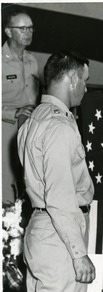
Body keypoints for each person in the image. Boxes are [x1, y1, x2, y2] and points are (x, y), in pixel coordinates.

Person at [17, 51, 96, 292]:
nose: (86, 89)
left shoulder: (33, 120)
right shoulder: (60, 127)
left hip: (41, 231)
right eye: (85, 81)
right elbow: (62, 197)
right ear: (72, 78)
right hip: (61, 237)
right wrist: (79, 254)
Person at [2, 9, 40, 203]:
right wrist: (12, 112)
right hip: (5, 130)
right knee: (6, 188)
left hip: (28, 130)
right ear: (8, 32)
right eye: (23, 28)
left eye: (31, 28)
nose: (29, 32)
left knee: (28, 184)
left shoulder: (32, 61)